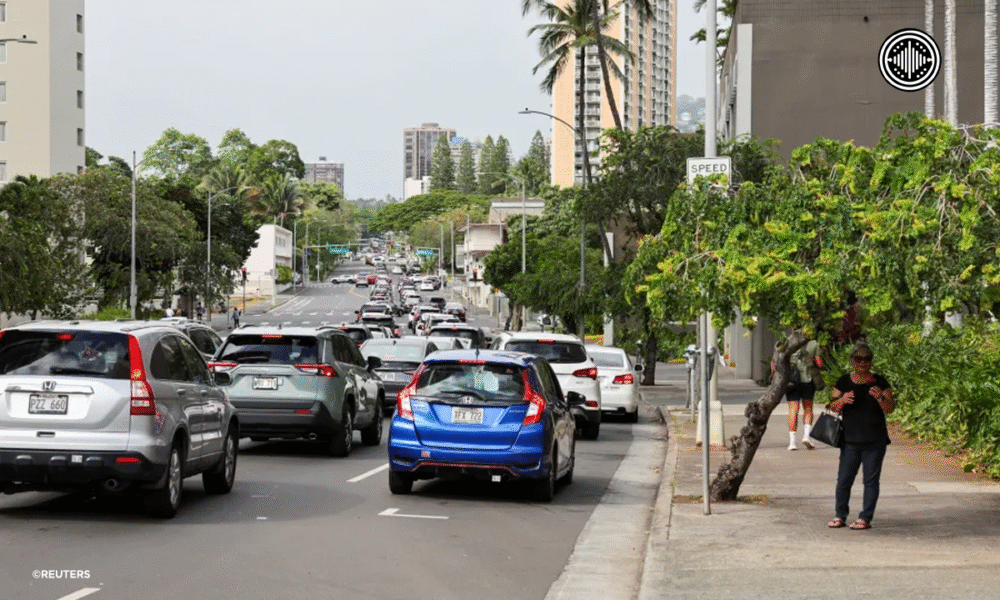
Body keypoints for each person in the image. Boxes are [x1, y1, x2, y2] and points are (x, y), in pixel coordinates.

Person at [826, 341, 896, 530]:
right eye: (859, 359)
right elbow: (832, 407)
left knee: (870, 481)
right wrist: (842, 400)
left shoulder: (879, 382)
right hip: (850, 440)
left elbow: (890, 408)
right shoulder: (844, 382)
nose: (863, 363)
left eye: (867, 359)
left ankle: (865, 518)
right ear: (852, 361)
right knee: (844, 480)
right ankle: (840, 515)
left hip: (875, 440)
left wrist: (880, 397)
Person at [772, 339, 823, 450]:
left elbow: (774, 364)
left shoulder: (786, 342)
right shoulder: (813, 344)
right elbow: (819, 363)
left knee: (793, 410)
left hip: (791, 381)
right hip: (807, 380)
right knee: (808, 409)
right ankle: (806, 437)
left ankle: (792, 443)